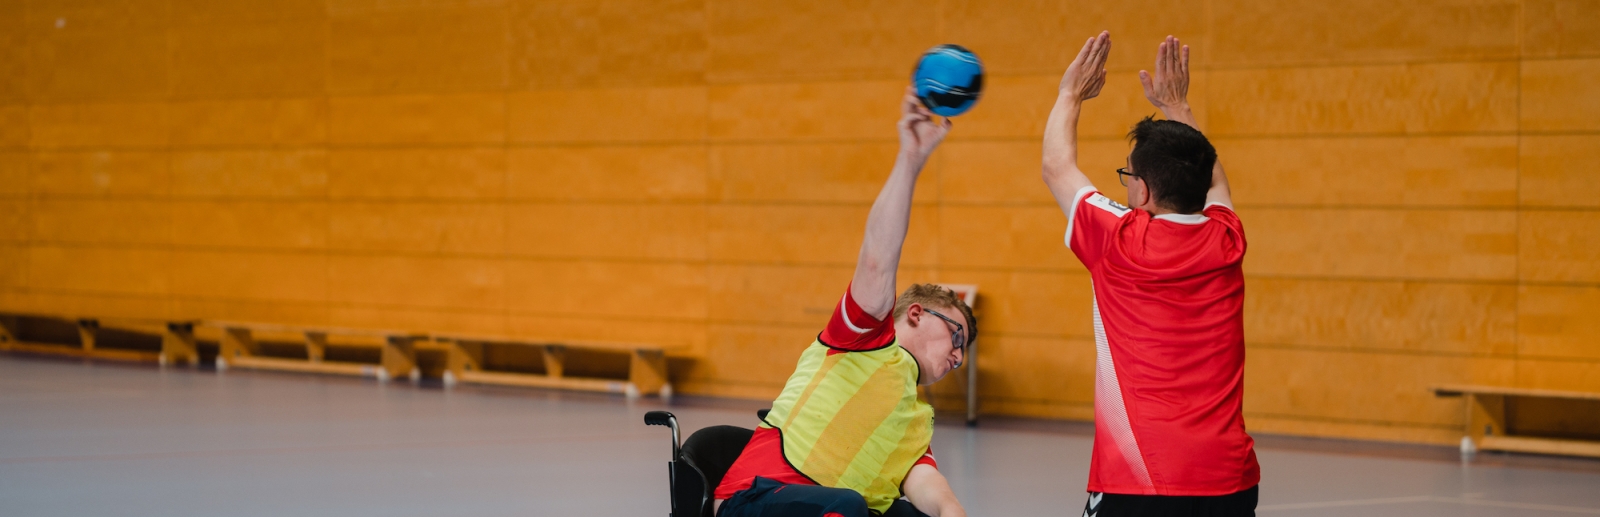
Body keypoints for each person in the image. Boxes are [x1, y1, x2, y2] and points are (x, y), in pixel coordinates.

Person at [713, 88, 976, 517]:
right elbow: (876, 260)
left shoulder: (913, 419)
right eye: (955, 334)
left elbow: (930, 485)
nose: (958, 356)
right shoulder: (865, 338)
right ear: (915, 313)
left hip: (828, 509)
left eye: (963, 350)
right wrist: (910, 161)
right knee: (848, 506)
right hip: (755, 499)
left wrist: (953, 514)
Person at [1042, 32, 1261, 516]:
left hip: (1142, 480)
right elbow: (1216, 182)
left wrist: (1069, 95)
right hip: (1230, 477)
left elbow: (1057, 166)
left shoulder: (1118, 239)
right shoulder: (1227, 239)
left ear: (1141, 190)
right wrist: (1178, 108)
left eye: (1127, 176)